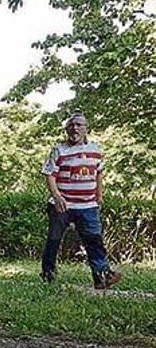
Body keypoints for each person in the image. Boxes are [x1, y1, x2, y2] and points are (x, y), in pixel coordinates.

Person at [39, 113, 121, 289]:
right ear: (66, 129)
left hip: (88, 205)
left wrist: (99, 195)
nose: (74, 128)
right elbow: (49, 175)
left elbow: (98, 173)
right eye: (71, 125)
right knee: (54, 241)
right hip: (62, 205)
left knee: (94, 241)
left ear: (86, 129)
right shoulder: (58, 150)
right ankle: (48, 276)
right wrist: (56, 196)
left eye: (78, 125)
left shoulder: (95, 149)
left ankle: (102, 277)